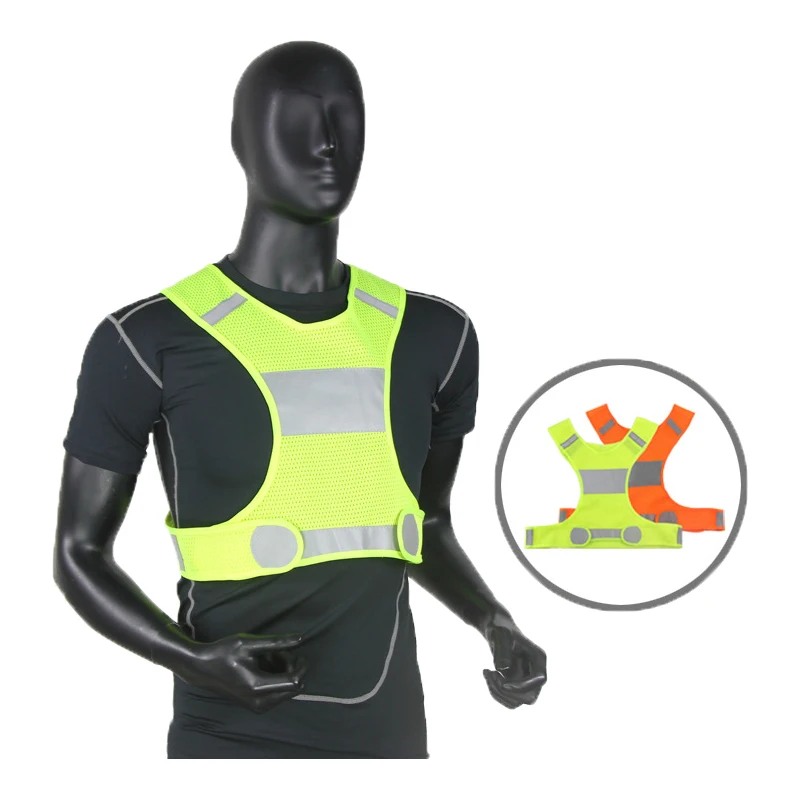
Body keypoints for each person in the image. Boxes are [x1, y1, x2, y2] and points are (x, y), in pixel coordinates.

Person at [54, 40, 547, 759]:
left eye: (347, 119)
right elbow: (78, 553)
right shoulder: (147, 339)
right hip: (228, 734)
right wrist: (189, 659)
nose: (327, 144)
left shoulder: (436, 336)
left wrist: (493, 620)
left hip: (390, 731)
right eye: (297, 120)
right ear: (240, 140)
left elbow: (424, 521)